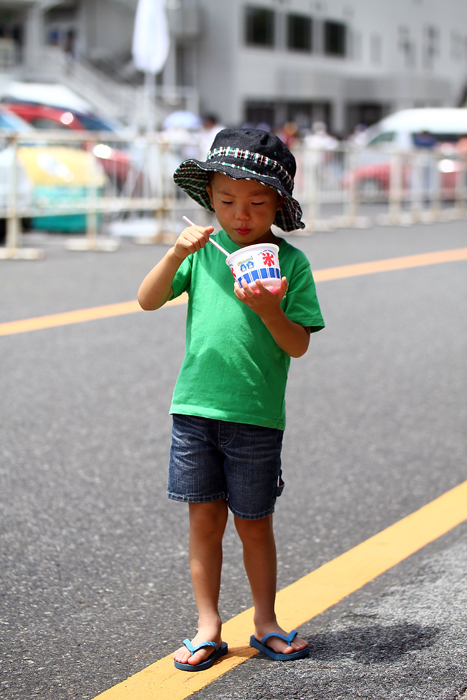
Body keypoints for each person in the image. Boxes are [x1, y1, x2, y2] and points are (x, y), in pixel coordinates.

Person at [138, 128, 325, 672]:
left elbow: (298, 344)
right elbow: (147, 300)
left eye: (257, 203)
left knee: (254, 523)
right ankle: (208, 625)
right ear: (209, 200)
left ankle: (265, 621)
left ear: (279, 205)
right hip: (194, 409)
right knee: (203, 523)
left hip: (256, 416)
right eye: (225, 201)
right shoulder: (201, 254)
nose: (240, 214)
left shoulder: (290, 265)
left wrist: (269, 309)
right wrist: (175, 253)